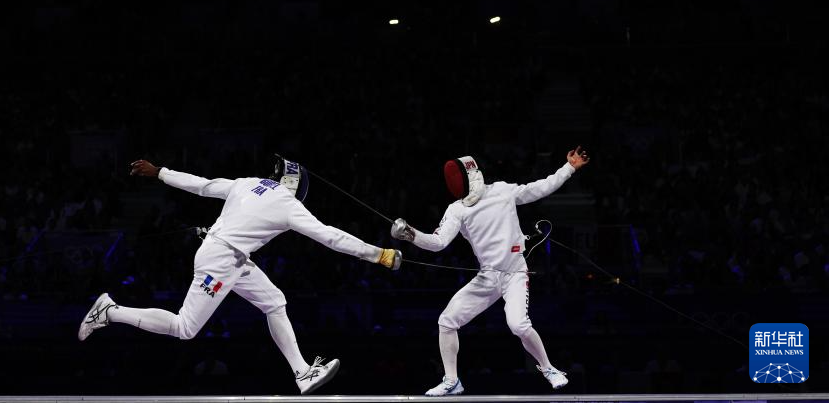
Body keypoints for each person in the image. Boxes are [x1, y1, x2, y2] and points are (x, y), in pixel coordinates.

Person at [78, 156, 402, 394]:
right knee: (184, 328)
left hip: (230, 257)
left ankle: (302, 373)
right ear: (296, 186)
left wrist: (160, 171)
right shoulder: (288, 204)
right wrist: (379, 254)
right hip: (221, 260)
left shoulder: (247, 183)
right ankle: (110, 311)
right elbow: (330, 237)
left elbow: (202, 185)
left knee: (274, 301)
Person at [391, 147, 590, 396]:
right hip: (487, 277)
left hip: (514, 273)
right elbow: (438, 242)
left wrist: (568, 168)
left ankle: (549, 368)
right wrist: (411, 234)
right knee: (447, 321)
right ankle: (452, 381)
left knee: (518, 325)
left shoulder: (502, 191)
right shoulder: (457, 209)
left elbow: (539, 188)